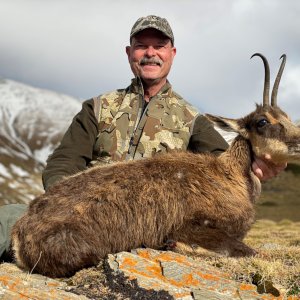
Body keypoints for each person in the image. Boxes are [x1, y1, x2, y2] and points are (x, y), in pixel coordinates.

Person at [0, 15, 286, 261]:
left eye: (159, 46)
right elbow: (63, 162)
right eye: (142, 46)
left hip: (153, 224)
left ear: (172, 53)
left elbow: (224, 168)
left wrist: (255, 167)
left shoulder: (192, 119)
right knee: (9, 221)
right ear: (129, 52)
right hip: (85, 214)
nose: (150, 53)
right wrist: (67, 205)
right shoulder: (98, 108)